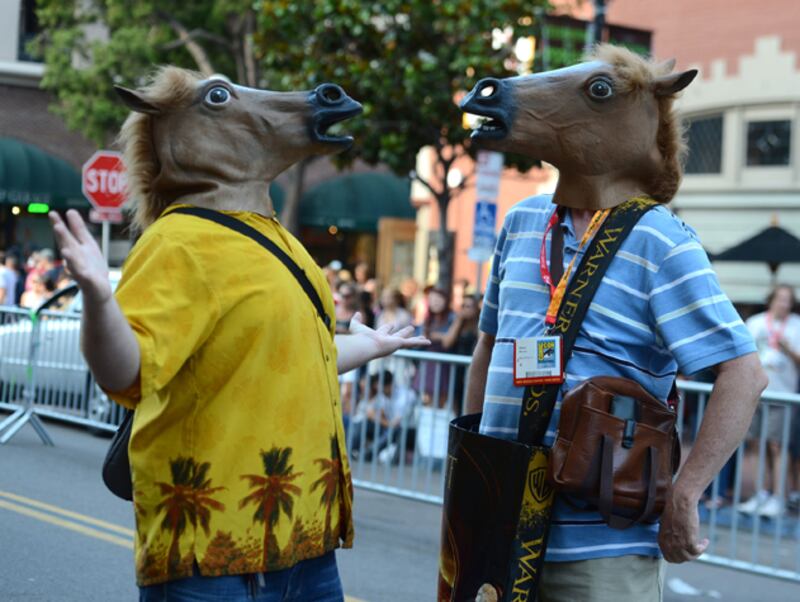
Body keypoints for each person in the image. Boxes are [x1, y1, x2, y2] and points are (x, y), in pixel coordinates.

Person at [48, 67, 428, 600]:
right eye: (219, 98)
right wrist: (97, 297)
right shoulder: (177, 242)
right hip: (213, 559)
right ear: (178, 132)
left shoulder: (282, 242)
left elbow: (286, 355)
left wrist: (370, 345)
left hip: (308, 546)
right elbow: (126, 370)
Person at [460, 46, 766, 601]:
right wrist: (473, 466)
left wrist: (685, 494)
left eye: (600, 94)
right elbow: (488, 345)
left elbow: (744, 374)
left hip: (603, 548)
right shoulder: (521, 221)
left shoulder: (663, 241)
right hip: (499, 528)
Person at [738, 284, 800, 517]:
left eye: (788, 300)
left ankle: (778, 497)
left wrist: (788, 349)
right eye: (780, 299)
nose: (784, 304)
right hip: (756, 393)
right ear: (771, 300)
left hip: (783, 395)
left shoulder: (796, 325)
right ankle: (760, 494)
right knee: (757, 444)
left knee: (777, 446)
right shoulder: (755, 322)